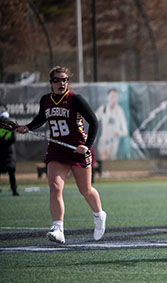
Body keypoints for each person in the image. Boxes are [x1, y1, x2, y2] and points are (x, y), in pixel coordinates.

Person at [15, 66, 106, 244]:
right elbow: (41, 119)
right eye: (57, 80)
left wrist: (87, 146)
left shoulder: (75, 99)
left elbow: (94, 121)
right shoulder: (46, 100)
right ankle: (58, 229)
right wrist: (28, 127)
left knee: (85, 190)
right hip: (57, 149)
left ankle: (99, 215)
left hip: (78, 150)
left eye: (64, 80)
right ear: (51, 83)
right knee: (55, 187)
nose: (61, 83)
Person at [95, 88, 128, 160]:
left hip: (114, 144)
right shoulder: (103, 109)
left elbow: (125, 131)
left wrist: (118, 133)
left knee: (111, 165)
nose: (114, 99)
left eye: (115, 97)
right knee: (103, 161)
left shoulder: (120, 111)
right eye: (112, 96)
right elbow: (93, 120)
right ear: (108, 97)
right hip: (103, 143)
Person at [0, 105, 19, 196]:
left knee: (11, 173)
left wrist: (4, 140)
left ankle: (14, 190)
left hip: (9, 154)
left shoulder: (11, 128)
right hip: (1, 153)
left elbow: (13, 139)